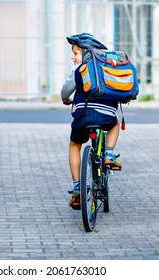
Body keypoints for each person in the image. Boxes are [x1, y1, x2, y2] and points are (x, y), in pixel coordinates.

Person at [61, 33, 121, 208]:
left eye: (76, 53)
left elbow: (66, 91)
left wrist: (66, 100)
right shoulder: (108, 67)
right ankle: (109, 153)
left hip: (83, 115)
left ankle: (77, 187)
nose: (72, 57)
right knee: (115, 124)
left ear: (87, 53)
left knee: (74, 145)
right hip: (107, 114)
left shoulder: (80, 70)